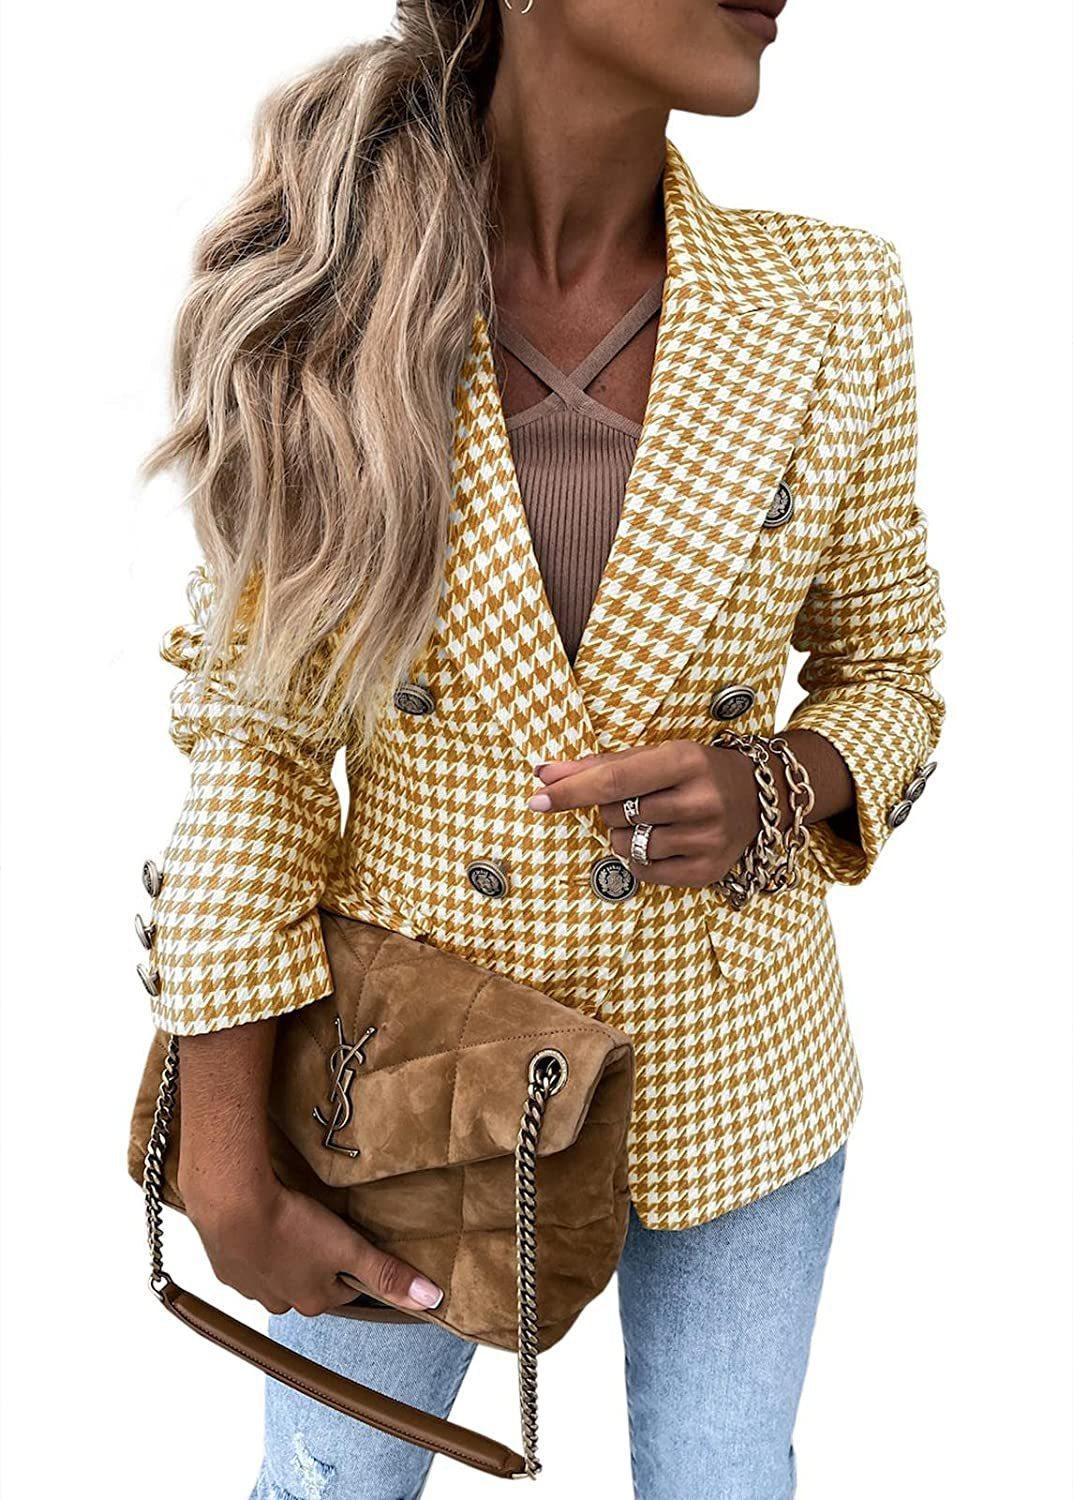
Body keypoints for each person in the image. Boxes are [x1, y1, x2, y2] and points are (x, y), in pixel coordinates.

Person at [135, 2, 945, 1496]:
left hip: (741, 1068)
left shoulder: (833, 300)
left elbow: (890, 674)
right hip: (407, 1082)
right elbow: (258, 742)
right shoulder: (335, 290)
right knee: (322, 1484)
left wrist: (779, 782)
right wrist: (223, 1149)